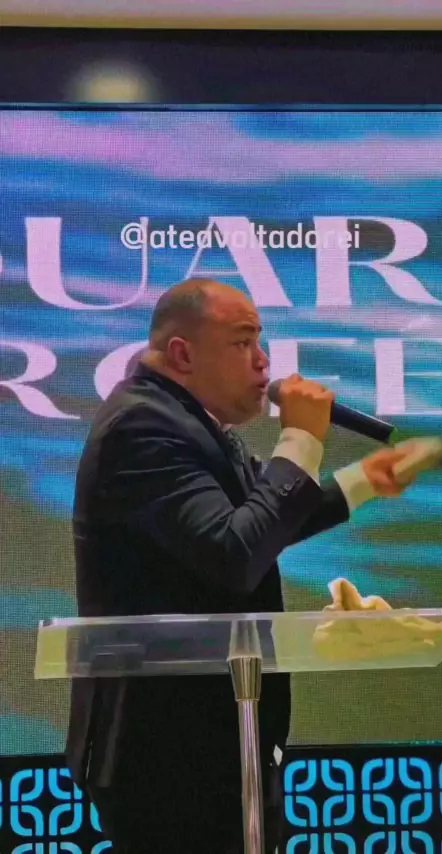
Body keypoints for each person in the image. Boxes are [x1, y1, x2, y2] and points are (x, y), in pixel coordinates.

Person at [66, 277, 415, 853]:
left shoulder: (183, 419)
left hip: (220, 743)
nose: (263, 361)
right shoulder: (141, 427)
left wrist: (364, 482)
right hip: (166, 756)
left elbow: (259, 521)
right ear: (183, 354)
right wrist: (300, 438)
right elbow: (235, 552)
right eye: (243, 342)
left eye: (260, 341)